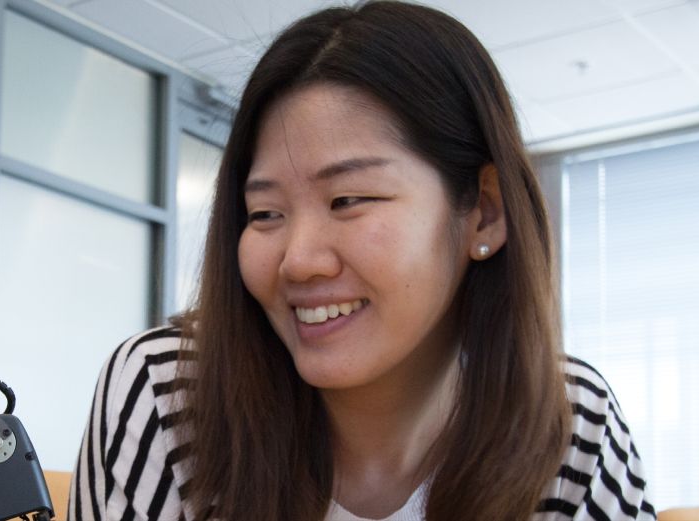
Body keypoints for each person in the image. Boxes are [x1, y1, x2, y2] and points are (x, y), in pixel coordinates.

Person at [71, 2, 655, 520]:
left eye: (348, 200)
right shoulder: (170, 393)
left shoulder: (568, 423)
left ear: (485, 213)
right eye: (265, 213)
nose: (297, 261)